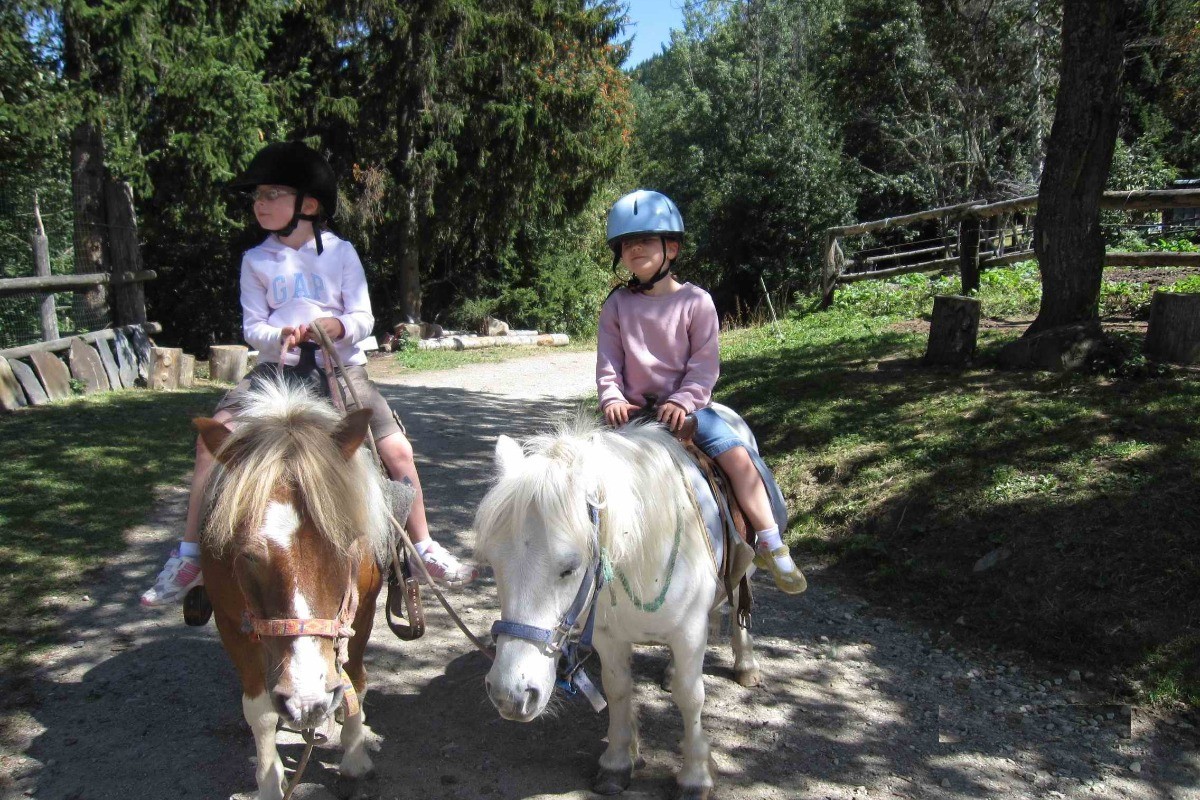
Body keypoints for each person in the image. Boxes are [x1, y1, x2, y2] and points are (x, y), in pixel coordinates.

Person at [141, 141, 477, 606]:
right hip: (278, 372)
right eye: (257, 196)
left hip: (342, 370)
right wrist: (279, 335)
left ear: (309, 204)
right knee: (211, 439)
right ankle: (191, 553)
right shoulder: (255, 260)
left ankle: (421, 544)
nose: (259, 203)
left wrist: (335, 327)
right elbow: (252, 325)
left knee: (396, 449)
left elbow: (363, 316)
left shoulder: (341, 254)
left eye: (272, 193)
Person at [596, 189, 806, 594]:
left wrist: (684, 399)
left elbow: (704, 365)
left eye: (645, 240)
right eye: (625, 243)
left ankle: (771, 542)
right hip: (633, 414)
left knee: (738, 458)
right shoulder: (616, 305)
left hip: (688, 412)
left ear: (670, 248)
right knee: (586, 475)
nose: (634, 248)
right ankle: (590, 564)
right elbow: (609, 363)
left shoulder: (697, 302)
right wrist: (612, 398)